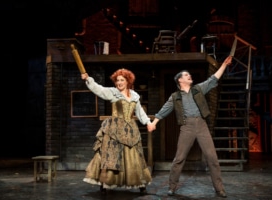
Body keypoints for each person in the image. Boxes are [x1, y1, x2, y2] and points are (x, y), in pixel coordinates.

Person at [148, 56, 232, 198]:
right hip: (187, 127)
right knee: (179, 158)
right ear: (180, 80)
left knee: (212, 158)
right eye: (186, 75)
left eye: (189, 74)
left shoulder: (198, 89)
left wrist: (223, 65)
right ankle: (172, 187)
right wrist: (153, 123)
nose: (189, 76)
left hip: (201, 125)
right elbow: (163, 111)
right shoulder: (175, 97)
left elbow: (213, 79)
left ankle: (219, 189)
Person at [81, 68, 152, 195]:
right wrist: (88, 79)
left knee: (134, 156)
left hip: (130, 129)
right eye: (117, 80)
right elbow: (99, 89)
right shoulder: (112, 93)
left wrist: (148, 122)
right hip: (114, 128)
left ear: (128, 81)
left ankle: (140, 184)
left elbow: (140, 112)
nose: (119, 83)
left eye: (122, 80)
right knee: (111, 156)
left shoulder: (134, 95)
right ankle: (105, 182)